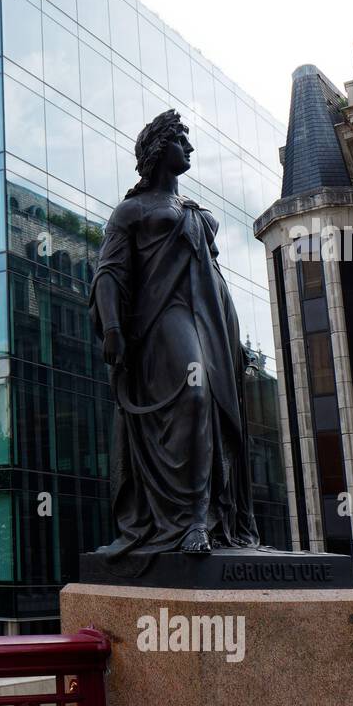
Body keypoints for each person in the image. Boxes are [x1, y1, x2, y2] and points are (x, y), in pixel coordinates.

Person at [89, 109, 260, 558]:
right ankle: (189, 521)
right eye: (181, 141)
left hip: (211, 316)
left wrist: (232, 339)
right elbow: (109, 273)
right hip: (162, 316)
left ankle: (209, 520)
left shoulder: (194, 212)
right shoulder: (132, 210)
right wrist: (111, 328)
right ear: (159, 147)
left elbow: (212, 275)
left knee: (218, 415)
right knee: (196, 395)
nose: (189, 148)